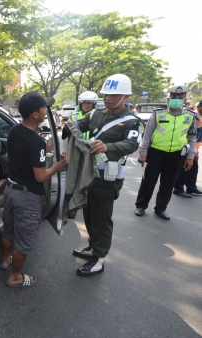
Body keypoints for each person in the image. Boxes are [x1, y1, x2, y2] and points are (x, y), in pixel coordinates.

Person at [71, 74, 143, 276]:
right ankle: (93, 247)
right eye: (106, 94)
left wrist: (107, 146)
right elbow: (80, 126)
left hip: (108, 177)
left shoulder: (131, 121)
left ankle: (99, 258)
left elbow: (131, 144)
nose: (109, 98)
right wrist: (69, 127)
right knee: (88, 212)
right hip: (88, 173)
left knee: (102, 217)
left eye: (114, 95)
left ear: (126, 97)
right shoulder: (96, 114)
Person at [0, 91, 67, 287]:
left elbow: (25, 153)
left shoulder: (14, 130)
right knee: (24, 240)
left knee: (8, 230)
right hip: (26, 197)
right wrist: (56, 167)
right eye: (43, 109)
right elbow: (40, 176)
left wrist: (45, 148)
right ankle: (15, 277)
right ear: (35, 115)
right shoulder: (35, 140)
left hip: (11, 191)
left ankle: (5, 261)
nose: (45, 111)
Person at [134, 85, 197, 220]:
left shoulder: (190, 117)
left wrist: (190, 156)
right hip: (156, 153)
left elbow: (192, 138)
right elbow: (147, 135)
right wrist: (143, 153)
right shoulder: (157, 114)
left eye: (180, 98)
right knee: (148, 181)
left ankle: (161, 208)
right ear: (169, 99)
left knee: (168, 182)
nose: (176, 100)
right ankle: (141, 205)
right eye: (174, 97)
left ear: (184, 99)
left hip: (176, 154)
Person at [173, 100, 202, 196]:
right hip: (186, 146)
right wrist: (194, 150)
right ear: (198, 107)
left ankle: (191, 187)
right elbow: (191, 135)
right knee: (184, 167)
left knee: (193, 168)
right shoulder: (192, 116)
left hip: (195, 146)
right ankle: (178, 188)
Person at [61, 91, 98, 157]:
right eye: (84, 103)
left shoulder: (98, 116)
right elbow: (66, 136)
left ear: (94, 104)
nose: (86, 105)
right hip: (76, 149)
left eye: (89, 103)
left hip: (92, 149)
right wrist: (64, 151)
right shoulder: (73, 116)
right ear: (81, 104)